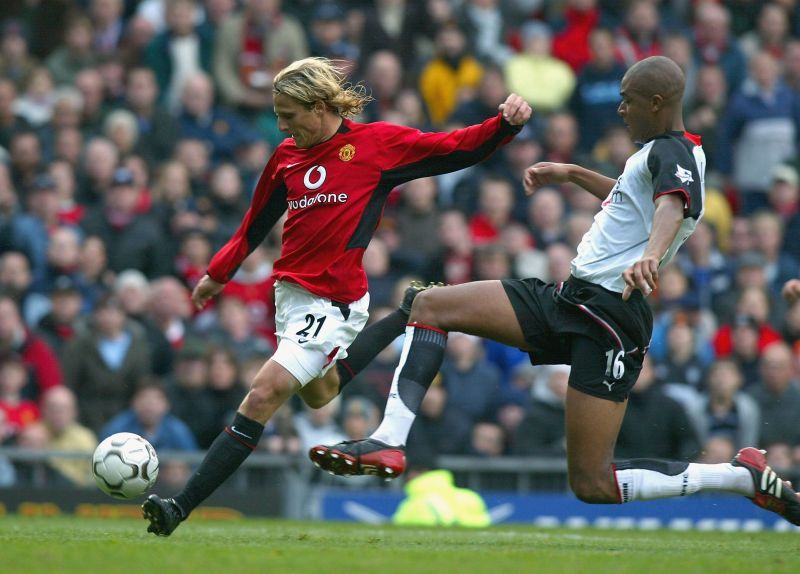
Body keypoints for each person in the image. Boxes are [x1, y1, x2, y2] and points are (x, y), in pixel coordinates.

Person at [312, 56, 800, 527]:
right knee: (430, 304)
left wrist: (650, 255)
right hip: (571, 299)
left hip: (611, 321)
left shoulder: (672, 151)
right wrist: (569, 173)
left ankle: (738, 477)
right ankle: (388, 441)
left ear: (656, 103)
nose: (620, 109)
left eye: (628, 100)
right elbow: (634, 195)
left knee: (593, 483)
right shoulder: (667, 154)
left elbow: (671, 205)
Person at [142, 56, 531, 536]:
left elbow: (452, 148)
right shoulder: (286, 156)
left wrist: (504, 125)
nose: (282, 125)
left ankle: (177, 509)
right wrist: (218, 273)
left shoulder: (375, 145)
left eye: (289, 114)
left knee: (262, 393)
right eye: (278, 114)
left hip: (333, 301)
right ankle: (404, 313)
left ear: (321, 106)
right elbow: (253, 225)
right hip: (292, 301)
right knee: (320, 394)